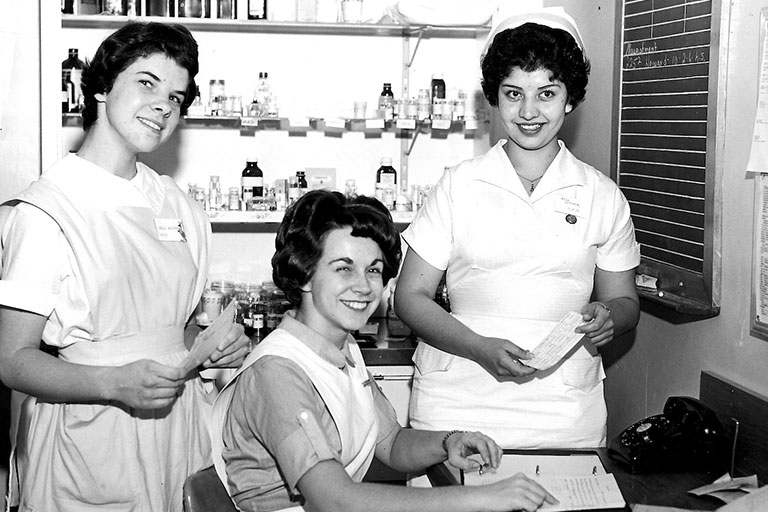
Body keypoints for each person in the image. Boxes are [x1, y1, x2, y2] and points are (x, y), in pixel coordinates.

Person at [0, 22, 249, 511]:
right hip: (90, 431)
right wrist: (112, 383)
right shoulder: (48, 210)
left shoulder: (178, 205)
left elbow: (167, 331)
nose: (163, 105)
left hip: (178, 424)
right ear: (100, 86)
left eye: (176, 98)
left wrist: (209, 348)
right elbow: (11, 359)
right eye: (146, 83)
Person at [209, 190, 556, 512]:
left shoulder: (341, 347)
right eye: (343, 268)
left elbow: (390, 443)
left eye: (373, 270)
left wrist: (450, 440)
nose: (363, 286)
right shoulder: (278, 372)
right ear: (303, 275)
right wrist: (480, 497)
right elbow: (334, 500)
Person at [394, 9, 642, 454]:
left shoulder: (602, 196)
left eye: (546, 93)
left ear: (569, 98)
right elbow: (410, 297)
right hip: (457, 402)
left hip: (564, 410)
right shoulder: (459, 184)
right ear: (494, 97)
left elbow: (625, 302)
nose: (529, 112)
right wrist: (479, 347)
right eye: (513, 94)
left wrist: (610, 316)